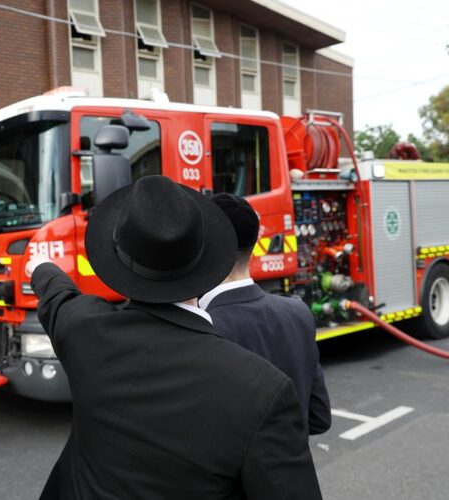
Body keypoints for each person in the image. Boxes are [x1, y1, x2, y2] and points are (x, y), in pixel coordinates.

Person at [29, 176, 321, 499]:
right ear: (206, 257)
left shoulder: (85, 332)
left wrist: (41, 268)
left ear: (119, 261)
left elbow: (58, 297)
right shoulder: (264, 391)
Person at [201, 193, 332, 435]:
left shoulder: (202, 329)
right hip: (295, 470)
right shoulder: (299, 313)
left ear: (207, 246)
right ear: (254, 242)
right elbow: (319, 418)